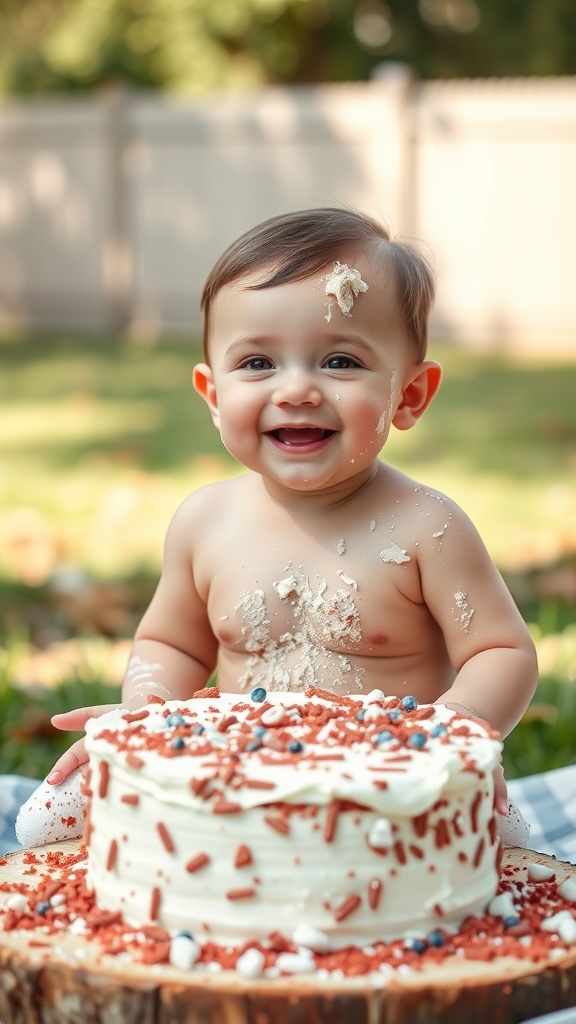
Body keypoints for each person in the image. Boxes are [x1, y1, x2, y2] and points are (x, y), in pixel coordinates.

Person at [46, 207, 538, 818]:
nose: (297, 390)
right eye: (258, 363)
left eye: (340, 362)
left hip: (395, 793)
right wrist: (149, 709)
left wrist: (456, 732)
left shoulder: (426, 527)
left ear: (408, 396)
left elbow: (501, 651)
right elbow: (168, 642)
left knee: (505, 850)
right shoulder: (205, 523)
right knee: (53, 815)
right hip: (235, 790)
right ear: (214, 395)